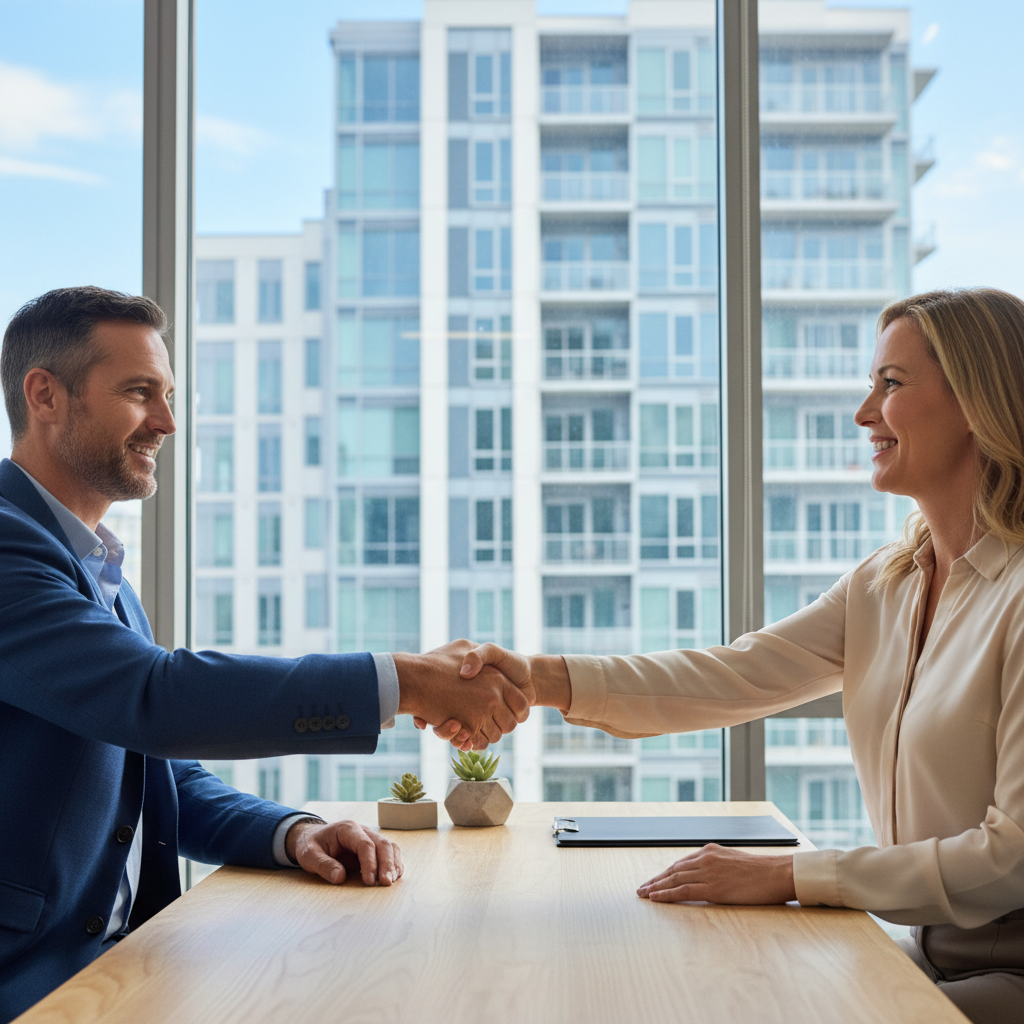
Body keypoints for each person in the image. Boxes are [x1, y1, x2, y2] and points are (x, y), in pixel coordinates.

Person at [453, 289, 1024, 1024]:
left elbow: (1011, 860)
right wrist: (539, 681)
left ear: (978, 402)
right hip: (924, 953)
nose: (863, 413)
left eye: (891, 384)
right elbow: (729, 677)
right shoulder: (886, 583)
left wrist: (788, 874)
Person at [0, 286, 528, 1023]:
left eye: (170, 394)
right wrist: (406, 681)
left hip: (120, 972)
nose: (167, 421)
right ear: (45, 395)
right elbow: (153, 702)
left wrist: (292, 834)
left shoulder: (93, 565)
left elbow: (156, 774)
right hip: (28, 983)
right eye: (139, 392)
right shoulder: (8, 546)